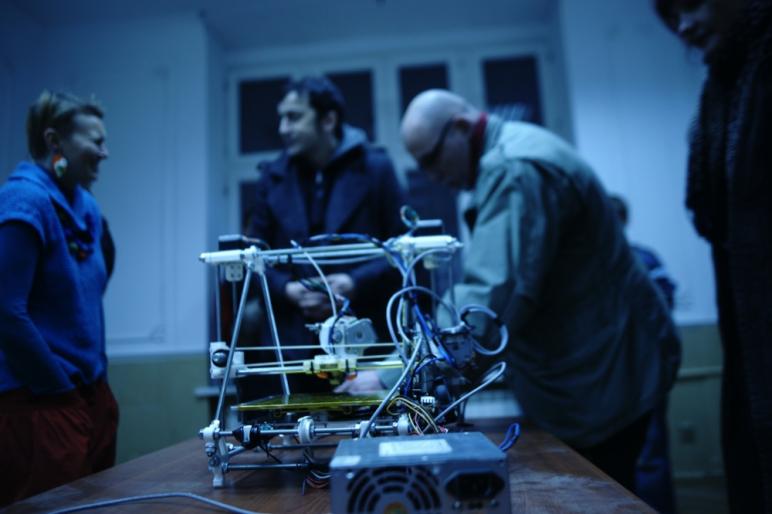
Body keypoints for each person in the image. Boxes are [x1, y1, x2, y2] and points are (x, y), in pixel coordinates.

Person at [396, 89, 681, 492]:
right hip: (608, 368)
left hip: (609, 377)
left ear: (460, 127)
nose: (431, 175)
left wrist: (404, 368)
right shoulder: (518, 148)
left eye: (431, 159)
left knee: (618, 496)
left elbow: (491, 299)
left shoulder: (515, 170)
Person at [653, 0, 772, 511]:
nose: (682, 27)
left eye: (691, 4)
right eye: (671, 16)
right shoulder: (722, 85)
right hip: (748, 327)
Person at [245, 76, 405, 396]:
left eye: (294, 117)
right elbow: (253, 259)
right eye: (281, 117)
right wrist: (289, 290)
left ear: (328, 120)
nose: (283, 128)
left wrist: (354, 282)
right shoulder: (271, 178)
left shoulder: (376, 169)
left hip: (365, 341)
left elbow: (403, 250)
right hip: (292, 348)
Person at [0, 91, 118, 506]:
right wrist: (60, 391)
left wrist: (92, 392)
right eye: (95, 141)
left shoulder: (86, 205)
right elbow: (6, 312)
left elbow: (89, 290)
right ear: (54, 142)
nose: (104, 152)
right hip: (40, 402)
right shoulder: (24, 200)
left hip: (89, 394)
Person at [610, 194, 677, 513]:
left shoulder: (641, 259)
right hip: (625, 371)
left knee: (649, 454)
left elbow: (663, 304)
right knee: (636, 455)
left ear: (622, 221)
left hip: (641, 370)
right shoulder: (613, 262)